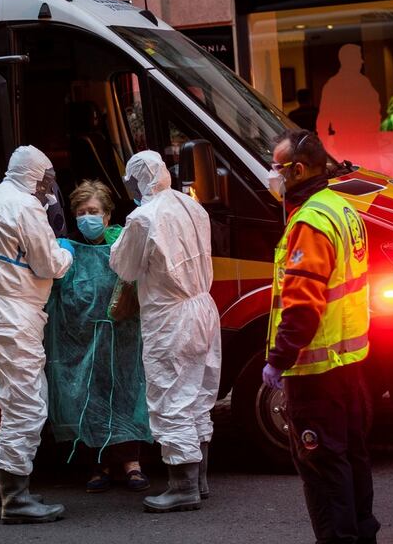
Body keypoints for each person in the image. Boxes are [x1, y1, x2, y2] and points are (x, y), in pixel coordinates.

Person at [261, 129, 379, 544]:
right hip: (349, 368)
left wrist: (278, 359)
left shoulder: (310, 222)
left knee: (325, 475)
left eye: (276, 168)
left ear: (297, 169)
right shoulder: (340, 208)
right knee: (351, 462)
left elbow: (303, 305)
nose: (272, 176)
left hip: (316, 374)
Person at [0, 144, 74, 524]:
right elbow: (47, 264)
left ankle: (3, 487)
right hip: (11, 315)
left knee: (13, 399)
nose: (49, 189)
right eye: (47, 180)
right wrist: (66, 252)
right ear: (35, 176)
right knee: (28, 405)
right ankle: (16, 499)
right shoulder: (26, 207)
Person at [109, 151, 221, 513]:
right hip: (203, 307)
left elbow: (124, 265)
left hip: (170, 317)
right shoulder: (193, 207)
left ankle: (182, 486)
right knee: (199, 395)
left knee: (171, 398)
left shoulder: (143, 218)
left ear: (139, 179)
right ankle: (200, 480)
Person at [44, 180, 152, 494]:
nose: (87, 217)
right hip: (81, 341)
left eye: (93, 211)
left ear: (107, 216)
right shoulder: (67, 250)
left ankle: (132, 463)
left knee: (127, 394)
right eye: (81, 212)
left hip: (124, 337)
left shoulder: (121, 242)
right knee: (89, 398)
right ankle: (99, 465)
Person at [316, 44, 381, 160]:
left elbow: (375, 110)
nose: (362, 61)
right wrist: (324, 147)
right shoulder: (334, 85)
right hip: (347, 144)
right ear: (349, 60)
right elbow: (324, 119)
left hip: (367, 142)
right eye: (358, 58)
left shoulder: (363, 83)